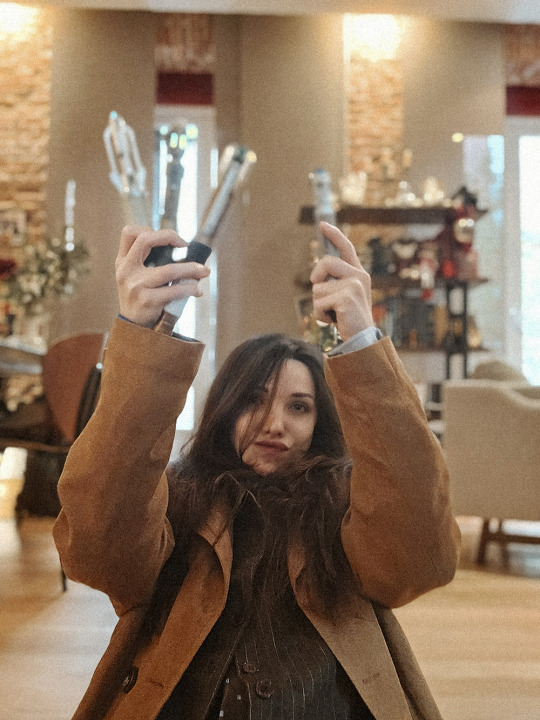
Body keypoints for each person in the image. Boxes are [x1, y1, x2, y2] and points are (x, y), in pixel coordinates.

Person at [53, 221, 460, 720]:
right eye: (253, 400)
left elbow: (419, 562)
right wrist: (143, 341)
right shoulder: (173, 501)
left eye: (299, 407)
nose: (274, 424)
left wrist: (362, 343)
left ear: (321, 422)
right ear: (224, 409)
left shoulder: (349, 506)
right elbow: (98, 556)